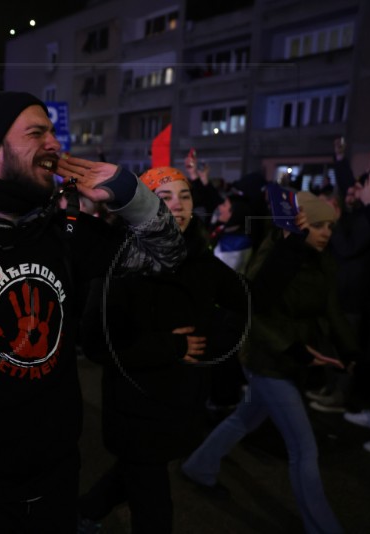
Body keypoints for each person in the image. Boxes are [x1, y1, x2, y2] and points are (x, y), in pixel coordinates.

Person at [0, 90, 186, 533]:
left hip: (55, 477)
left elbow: (168, 257)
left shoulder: (66, 232)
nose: (54, 143)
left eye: (51, 131)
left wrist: (128, 193)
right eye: (36, 132)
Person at [75, 167, 248, 533]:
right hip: (135, 408)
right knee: (154, 509)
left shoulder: (200, 257)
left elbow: (242, 303)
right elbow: (95, 342)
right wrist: (170, 346)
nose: (178, 206)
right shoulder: (119, 258)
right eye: (165, 197)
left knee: (133, 475)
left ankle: (83, 512)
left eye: (184, 196)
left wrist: (209, 340)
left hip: (182, 402)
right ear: (145, 204)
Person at [181, 191, 359, 534]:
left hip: (292, 360)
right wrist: (294, 349)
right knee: (304, 449)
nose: (326, 233)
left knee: (243, 420)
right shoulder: (275, 254)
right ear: (300, 221)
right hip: (266, 360)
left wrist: (351, 353)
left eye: (331, 226)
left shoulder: (322, 258)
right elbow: (254, 311)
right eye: (319, 224)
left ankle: (199, 467)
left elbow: (332, 309)